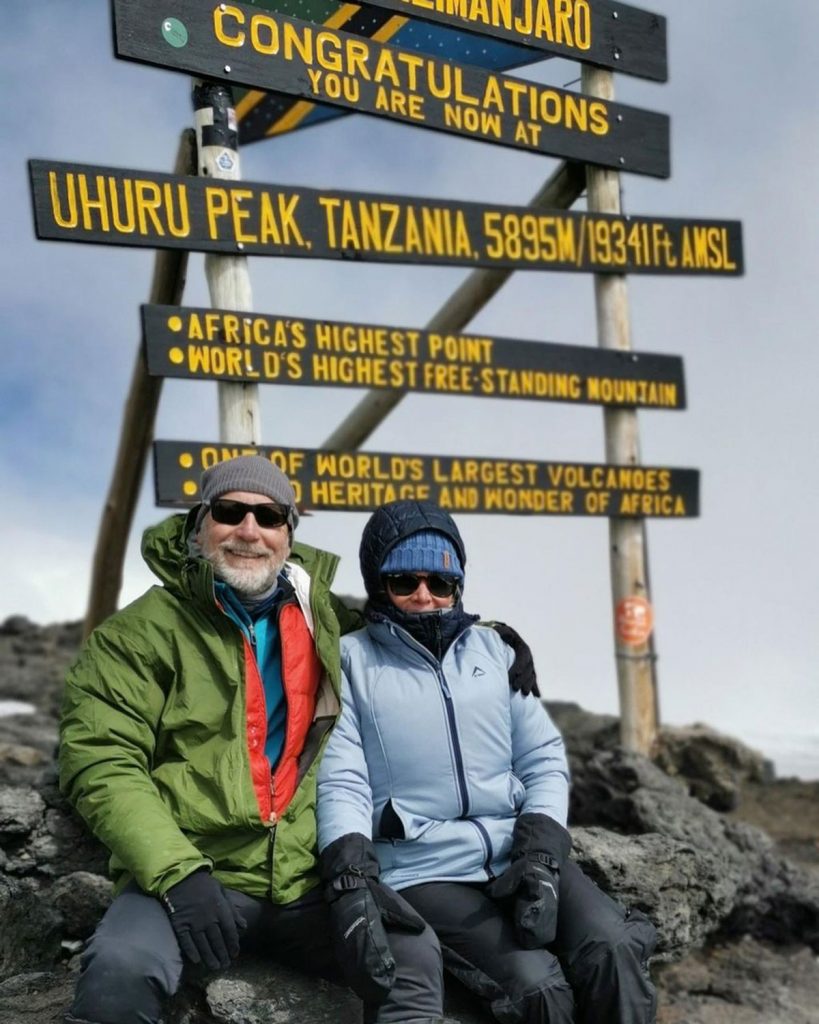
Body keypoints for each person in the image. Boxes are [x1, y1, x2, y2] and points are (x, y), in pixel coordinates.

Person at [59, 457, 536, 1024]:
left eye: (269, 516)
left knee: (409, 957)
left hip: (308, 881)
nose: (249, 530)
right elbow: (101, 762)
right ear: (199, 524)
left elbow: (406, 634)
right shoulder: (135, 636)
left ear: (288, 534)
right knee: (122, 967)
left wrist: (481, 640)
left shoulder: (327, 620)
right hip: (190, 876)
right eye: (230, 512)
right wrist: (178, 873)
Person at [317, 499, 659, 1024]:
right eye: (404, 581)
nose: (425, 596)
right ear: (376, 582)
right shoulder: (349, 661)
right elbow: (342, 780)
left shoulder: (495, 652)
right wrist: (350, 874)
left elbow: (543, 757)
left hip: (515, 849)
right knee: (538, 988)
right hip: (423, 868)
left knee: (613, 948)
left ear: (459, 582)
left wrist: (542, 853)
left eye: (441, 581)